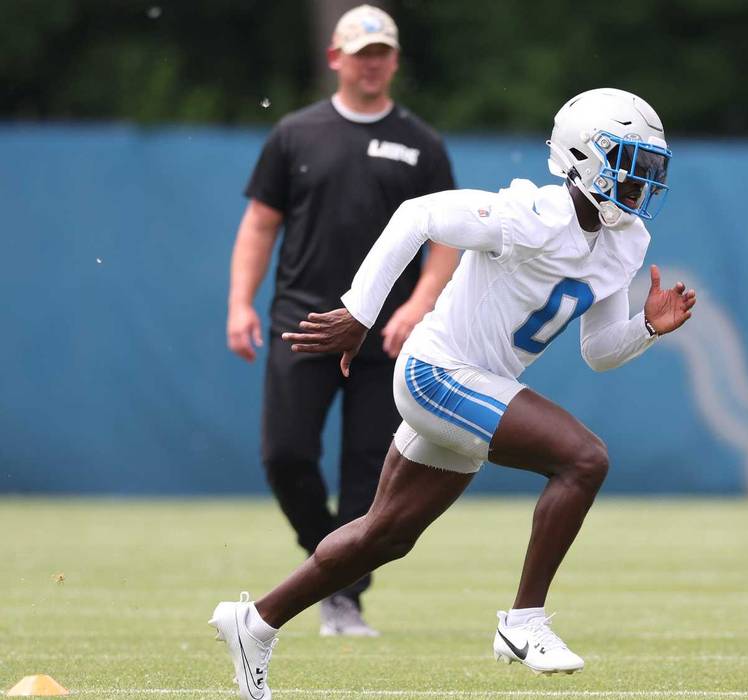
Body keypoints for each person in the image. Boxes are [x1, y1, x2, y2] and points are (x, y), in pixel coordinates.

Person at [209, 87, 695, 697]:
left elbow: (598, 353)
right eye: (628, 161)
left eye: (649, 166)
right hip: (436, 373)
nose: (640, 178)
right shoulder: (528, 215)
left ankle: (253, 623)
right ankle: (524, 622)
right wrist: (360, 312)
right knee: (584, 458)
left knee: (386, 534)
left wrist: (646, 327)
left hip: (478, 388)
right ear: (581, 156)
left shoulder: (627, 243)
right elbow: (416, 215)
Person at [224, 4, 460, 637]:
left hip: (388, 334)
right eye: (361, 52)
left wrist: (418, 305)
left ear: (395, 60)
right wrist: (239, 303)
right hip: (304, 321)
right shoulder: (295, 135)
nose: (372, 63)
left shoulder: (422, 144)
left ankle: (343, 596)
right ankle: (325, 557)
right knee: (286, 454)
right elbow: (260, 225)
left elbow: (447, 241)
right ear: (336, 58)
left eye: (382, 51)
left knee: (369, 468)